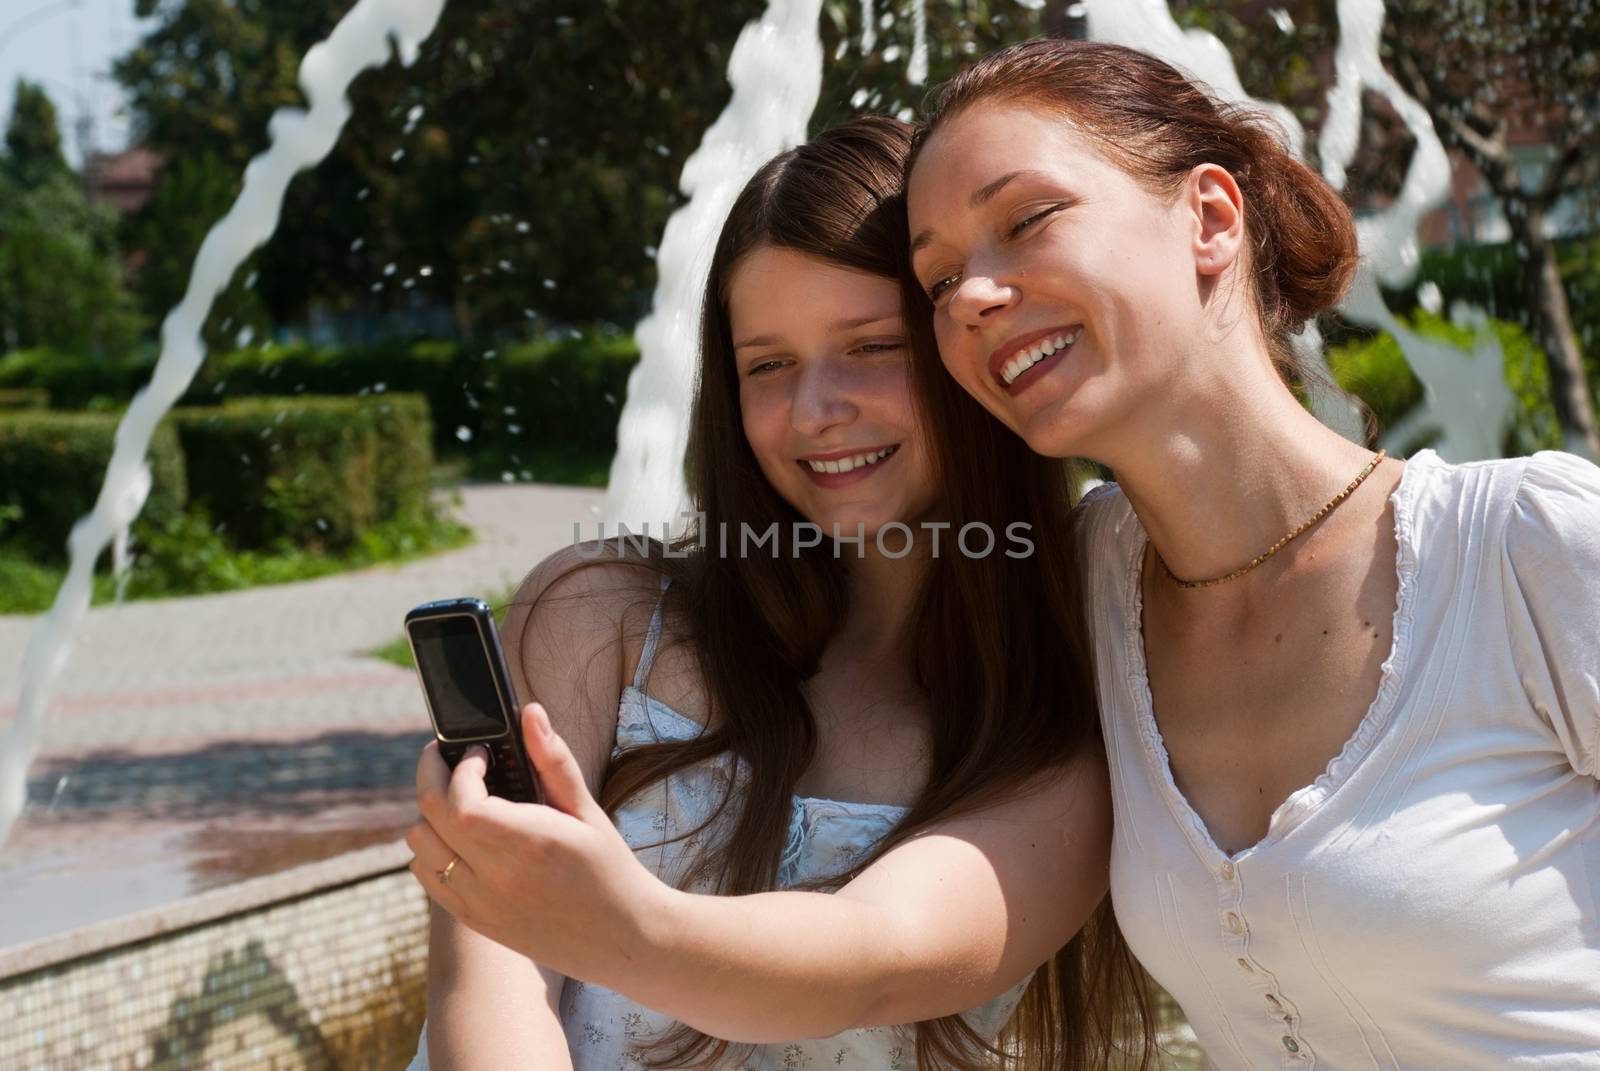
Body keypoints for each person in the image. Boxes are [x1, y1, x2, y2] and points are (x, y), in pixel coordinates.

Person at [903, 38, 1600, 1069]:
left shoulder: (1531, 549)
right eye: (940, 277)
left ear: (1211, 218)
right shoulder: (1080, 586)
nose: (971, 296)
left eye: (1027, 220)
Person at [404, 115, 1151, 1070]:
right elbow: (487, 995)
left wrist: (602, 915)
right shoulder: (600, 616)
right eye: (768, 364)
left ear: (966, 344)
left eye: (872, 346)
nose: (813, 410)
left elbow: (873, 960)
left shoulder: (1053, 716)